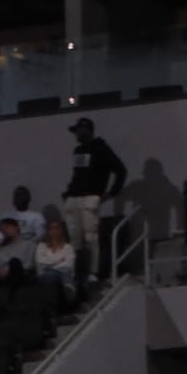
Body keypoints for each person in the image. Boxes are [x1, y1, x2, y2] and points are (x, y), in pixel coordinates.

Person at [63, 117, 126, 277]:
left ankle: (94, 272)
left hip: (90, 196)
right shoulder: (78, 150)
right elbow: (79, 174)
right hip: (74, 198)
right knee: (75, 239)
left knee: (91, 238)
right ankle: (78, 272)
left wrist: (111, 193)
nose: (76, 134)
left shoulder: (101, 148)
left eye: (79, 130)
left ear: (87, 130)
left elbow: (120, 170)